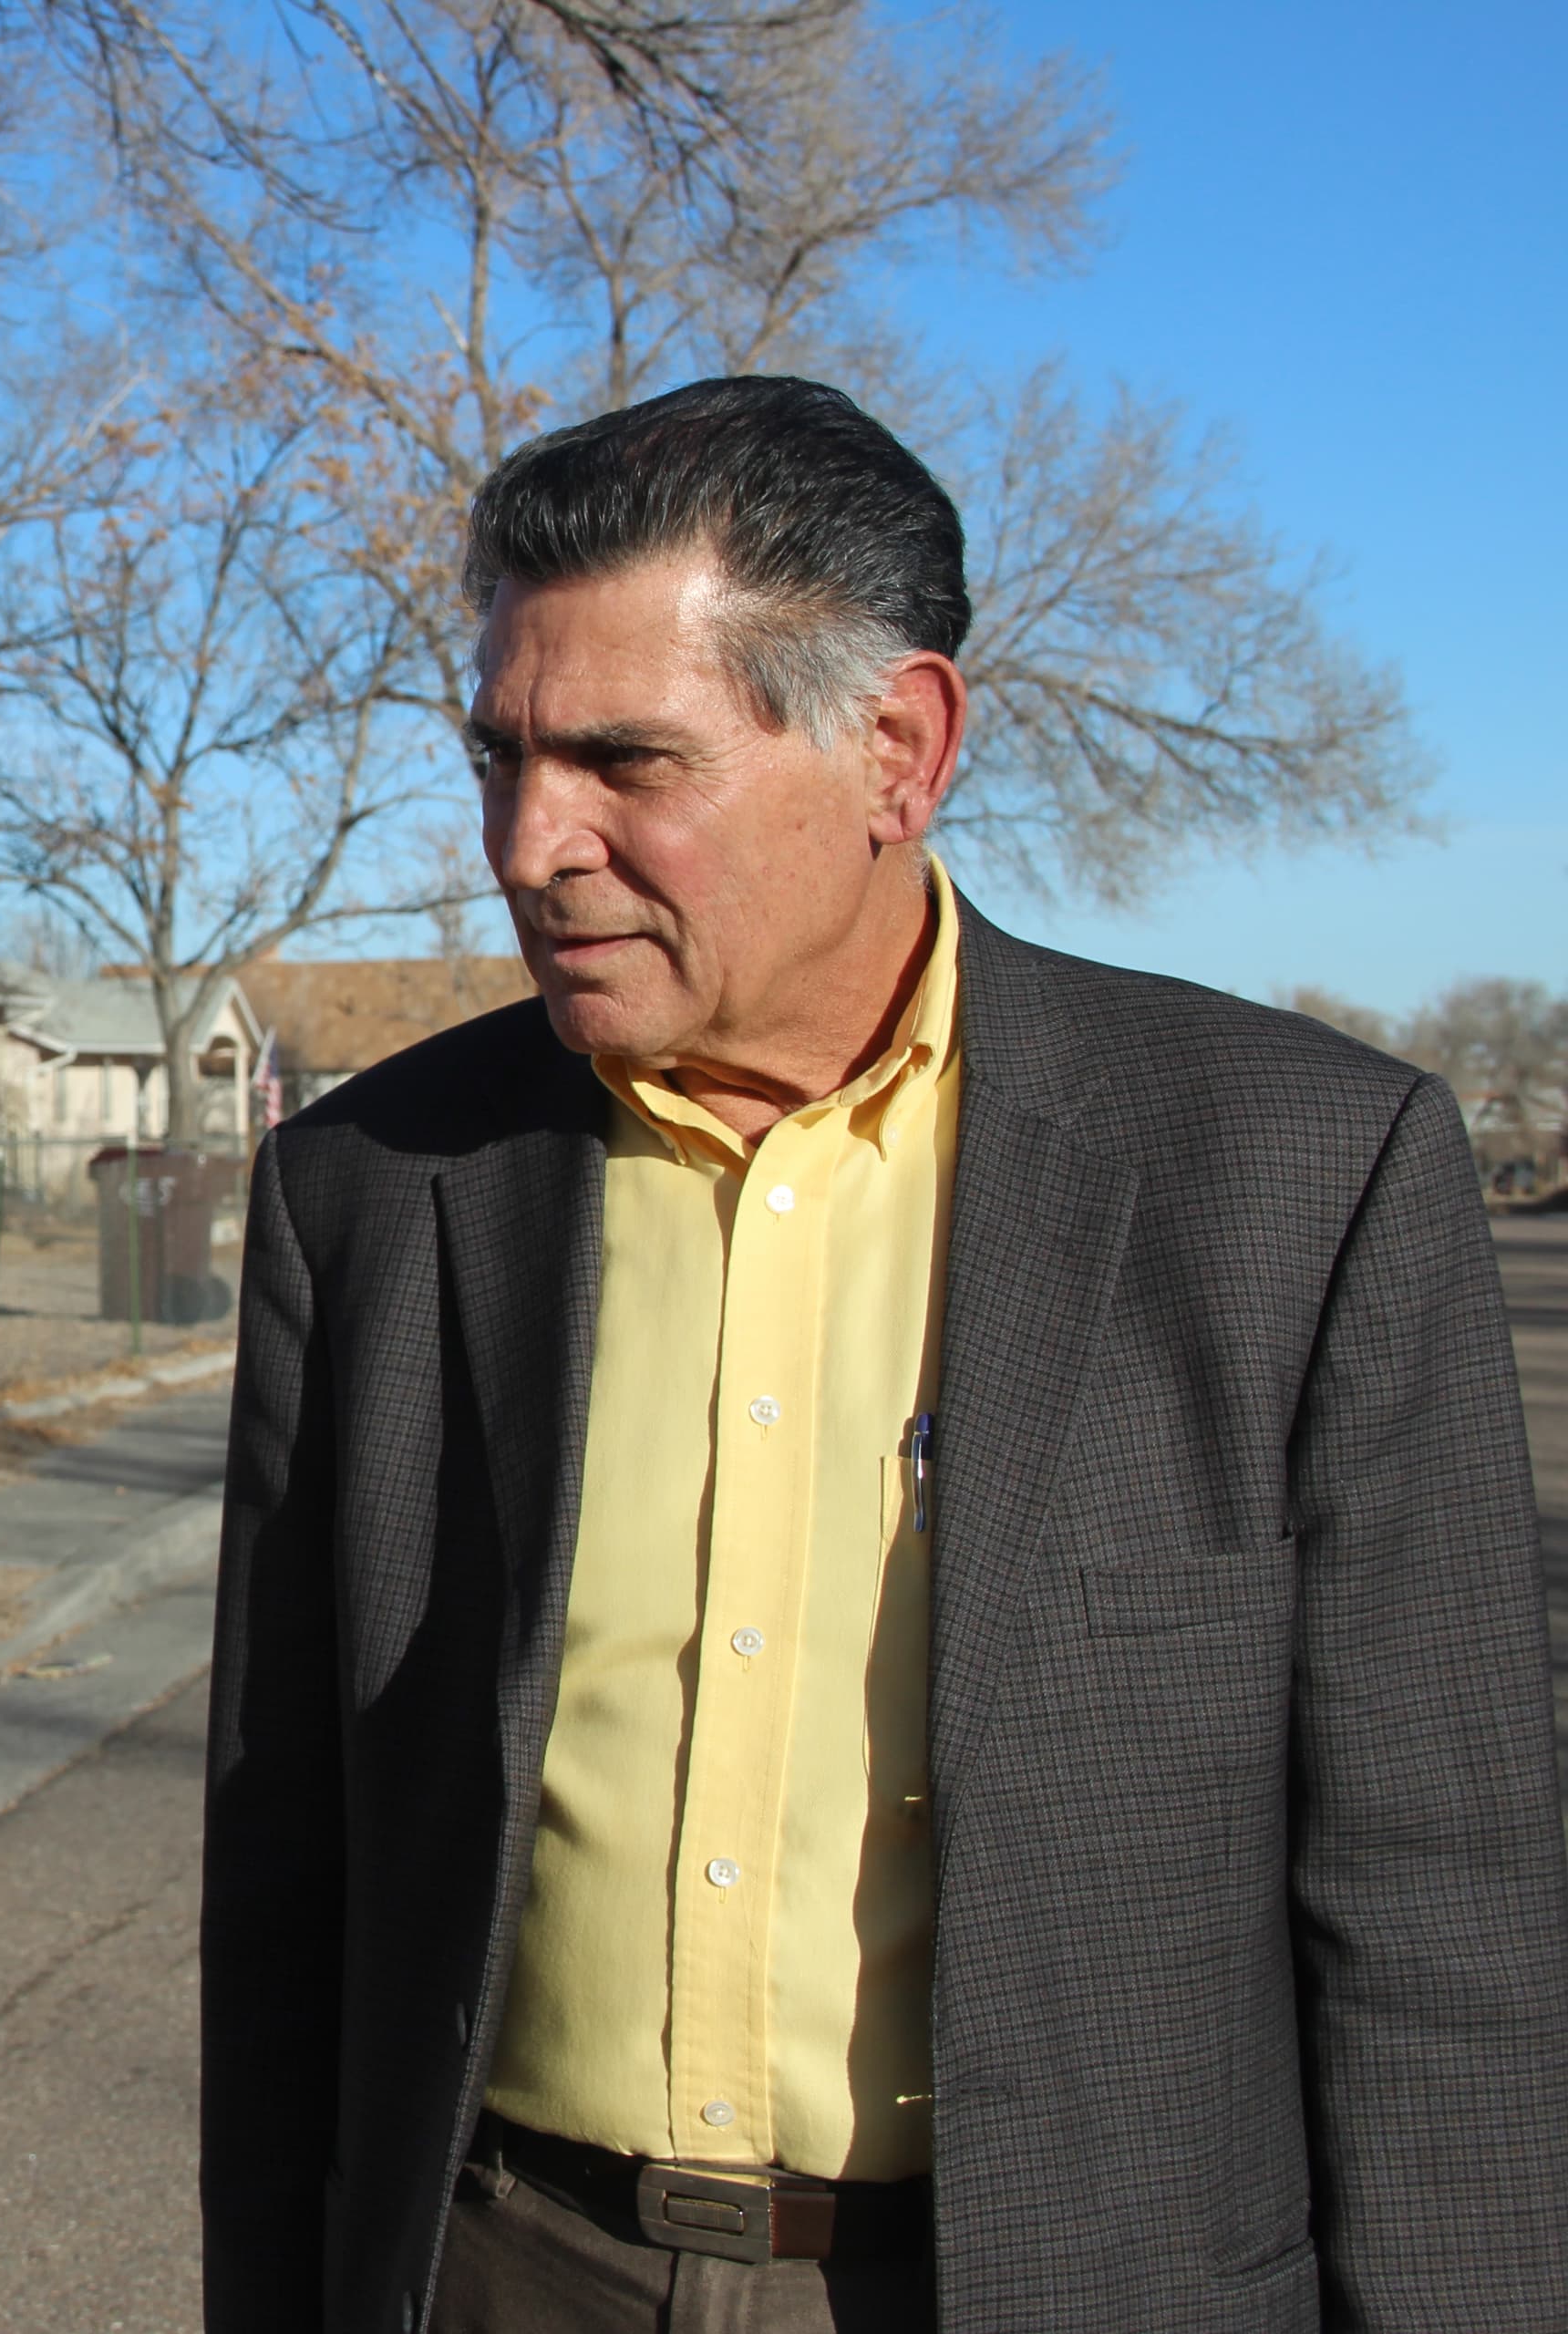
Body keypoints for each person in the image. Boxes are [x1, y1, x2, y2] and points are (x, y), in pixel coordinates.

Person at [201, 377, 1568, 2332]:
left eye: (622, 758)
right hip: (508, 2268)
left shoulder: (1293, 1181)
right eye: (495, 751)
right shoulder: (376, 1189)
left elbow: (1444, 1922)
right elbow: (285, 1877)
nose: (530, 836)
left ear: (896, 746)